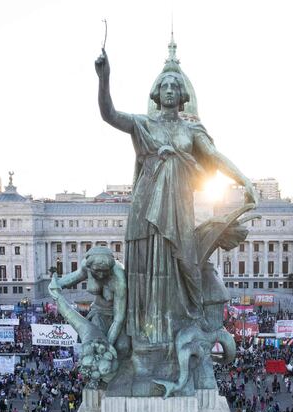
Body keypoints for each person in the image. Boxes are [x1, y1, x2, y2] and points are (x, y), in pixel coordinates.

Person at [94, 49, 257, 348]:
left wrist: (242, 178)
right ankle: (147, 336)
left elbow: (214, 157)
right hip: (147, 205)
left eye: (174, 86)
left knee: (181, 263)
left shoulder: (191, 129)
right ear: (156, 94)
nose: (169, 90)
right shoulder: (143, 123)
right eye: (164, 86)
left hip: (179, 206)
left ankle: (180, 327)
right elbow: (109, 114)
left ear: (182, 95)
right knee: (146, 268)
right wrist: (104, 79)